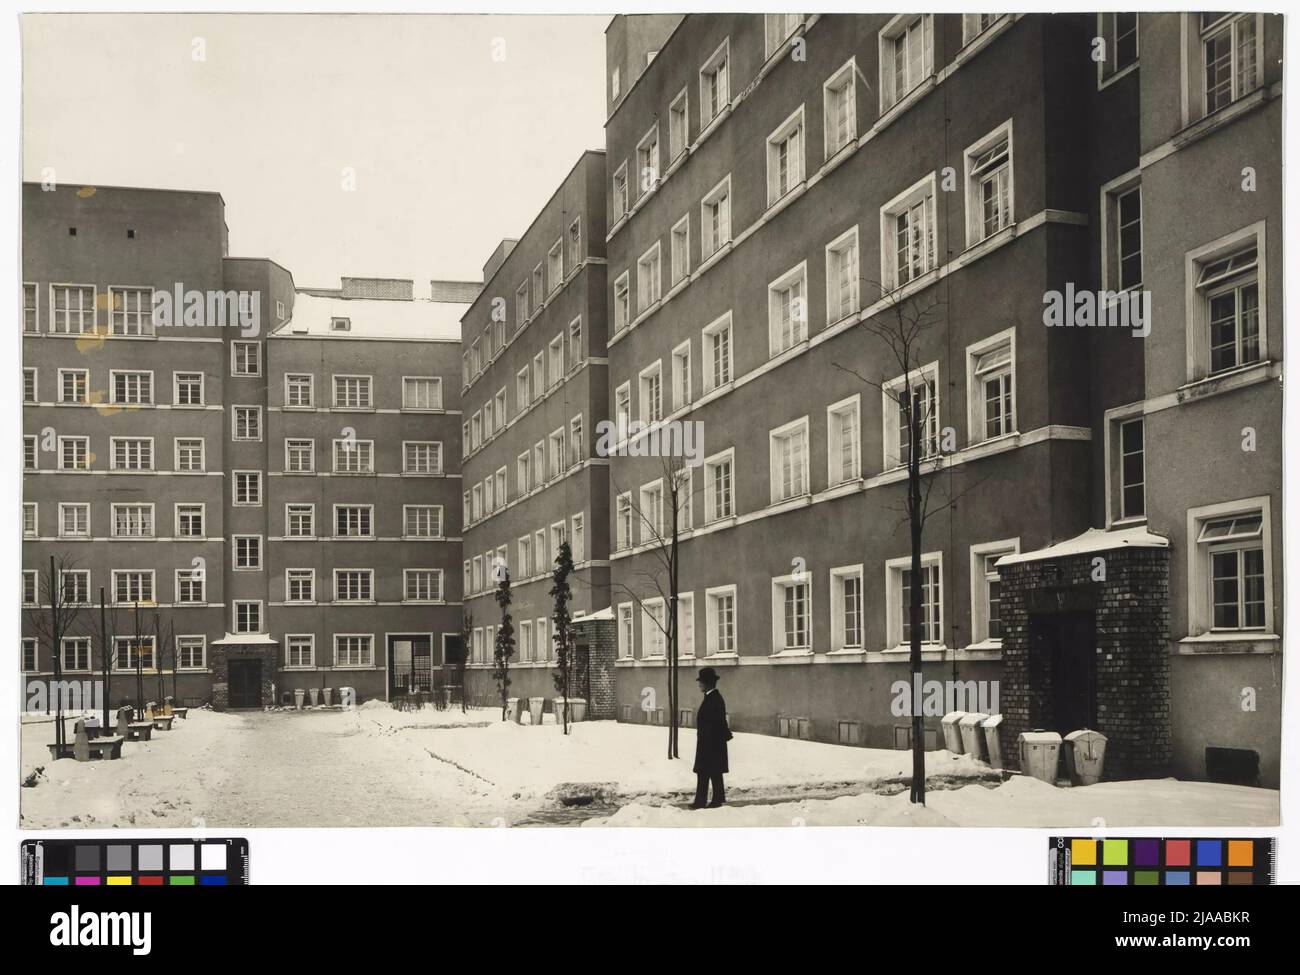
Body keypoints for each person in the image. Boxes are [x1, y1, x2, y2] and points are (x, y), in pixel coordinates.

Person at [691, 667, 732, 808]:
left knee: (710, 772)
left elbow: (718, 722)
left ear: (707, 683)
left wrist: (709, 741)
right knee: (710, 772)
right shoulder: (712, 697)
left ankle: (711, 801)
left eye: (701, 682)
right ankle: (709, 800)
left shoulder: (714, 699)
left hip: (711, 743)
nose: (699, 684)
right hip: (709, 742)